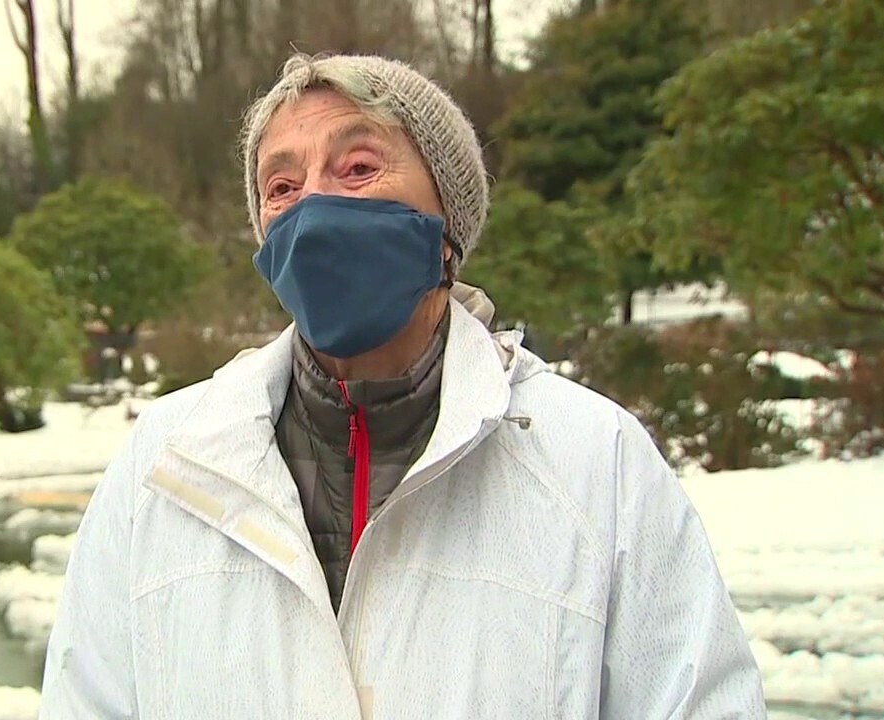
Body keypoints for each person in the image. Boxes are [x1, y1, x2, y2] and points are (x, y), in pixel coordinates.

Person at [39, 53, 766, 718]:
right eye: (282, 187)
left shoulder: (594, 460)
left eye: (357, 168)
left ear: (448, 218)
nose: (316, 210)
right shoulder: (166, 465)